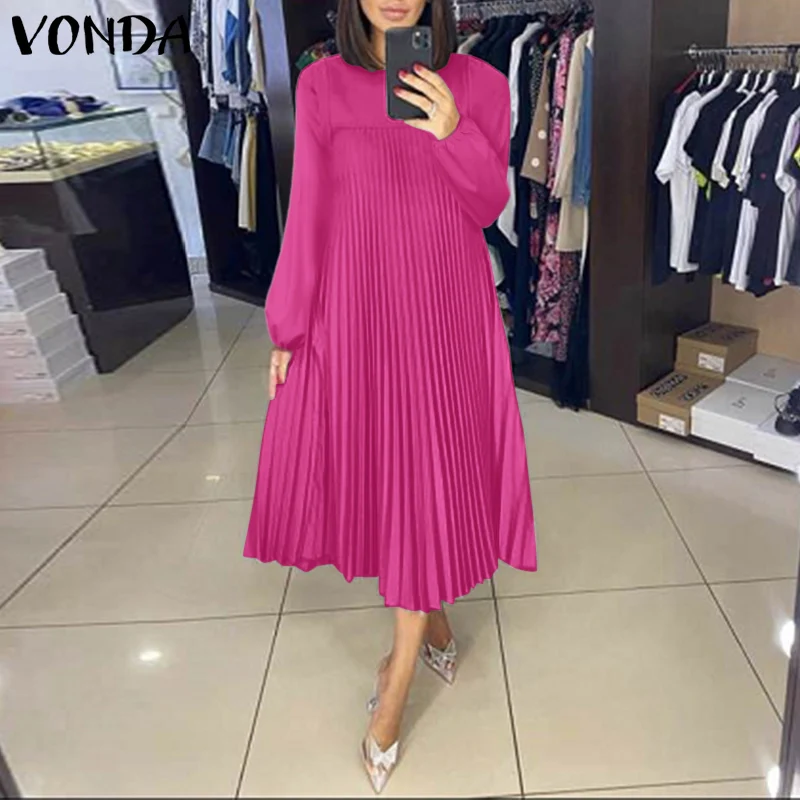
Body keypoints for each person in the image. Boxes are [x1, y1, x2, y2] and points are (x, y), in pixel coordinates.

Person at [244, 0, 537, 791]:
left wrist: (453, 131)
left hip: (445, 310)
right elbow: (308, 210)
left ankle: (397, 680)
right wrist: (288, 325)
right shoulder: (321, 86)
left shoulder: (478, 83)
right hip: (357, 307)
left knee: (429, 468)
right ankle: (433, 620)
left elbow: (489, 206)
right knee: (387, 472)